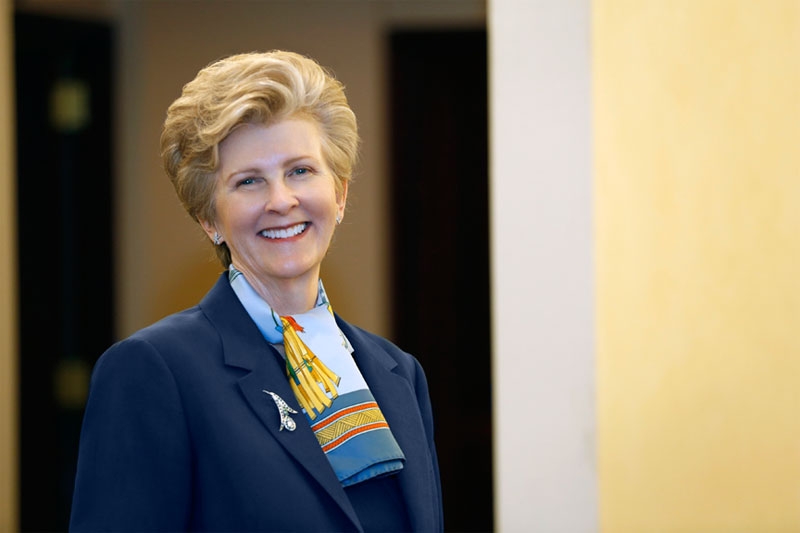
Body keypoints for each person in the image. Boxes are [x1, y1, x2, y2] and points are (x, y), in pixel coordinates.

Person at [70, 50, 443, 532]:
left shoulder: (399, 374)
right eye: (249, 181)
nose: (281, 200)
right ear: (209, 219)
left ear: (340, 193)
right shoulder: (153, 371)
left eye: (300, 171)